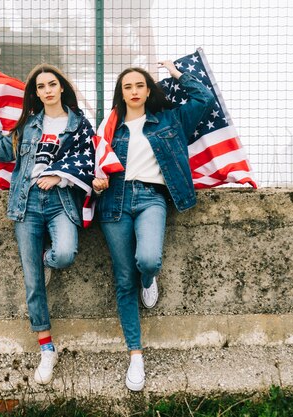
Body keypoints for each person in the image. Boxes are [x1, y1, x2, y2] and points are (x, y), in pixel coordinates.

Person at [92, 61, 215, 391]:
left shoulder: (170, 119)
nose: (133, 91)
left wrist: (177, 74)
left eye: (139, 86)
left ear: (149, 90)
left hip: (151, 198)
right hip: (114, 201)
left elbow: (203, 99)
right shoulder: (108, 130)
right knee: (122, 280)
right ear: (121, 93)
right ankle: (135, 354)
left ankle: (150, 278)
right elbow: (94, 166)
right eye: (127, 87)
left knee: (148, 260)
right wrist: (98, 182)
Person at [0, 64, 94, 385]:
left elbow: (89, 158)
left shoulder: (78, 124)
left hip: (60, 203)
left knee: (65, 254)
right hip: (27, 204)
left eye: (51, 84)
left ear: (61, 88)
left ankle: (42, 257)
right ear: (37, 93)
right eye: (41, 86)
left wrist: (59, 175)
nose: (46, 90)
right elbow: (2, 152)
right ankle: (47, 348)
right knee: (34, 284)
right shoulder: (29, 125)